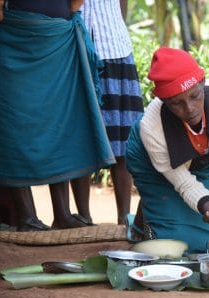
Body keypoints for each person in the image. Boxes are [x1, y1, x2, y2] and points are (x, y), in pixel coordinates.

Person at [0, 0, 115, 231]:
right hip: (14, 40)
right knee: (13, 123)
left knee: (58, 124)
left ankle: (62, 214)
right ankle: (26, 216)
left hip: (56, 41)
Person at [125, 47, 209, 253]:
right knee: (176, 245)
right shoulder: (152, 128)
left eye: (195, 96)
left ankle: (154, 206)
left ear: (203, 82)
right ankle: (149, 214)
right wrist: (208, 206)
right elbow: (185, 184)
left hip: (204, 158)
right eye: (177, 103)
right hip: (152, 161)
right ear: (164, 101)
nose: (190, 109)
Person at [70, 0, 145, 226]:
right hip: (78, 48)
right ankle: (84, 215)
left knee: (123, 139)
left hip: (116, 46)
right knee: (80, 136)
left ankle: (124, 216)